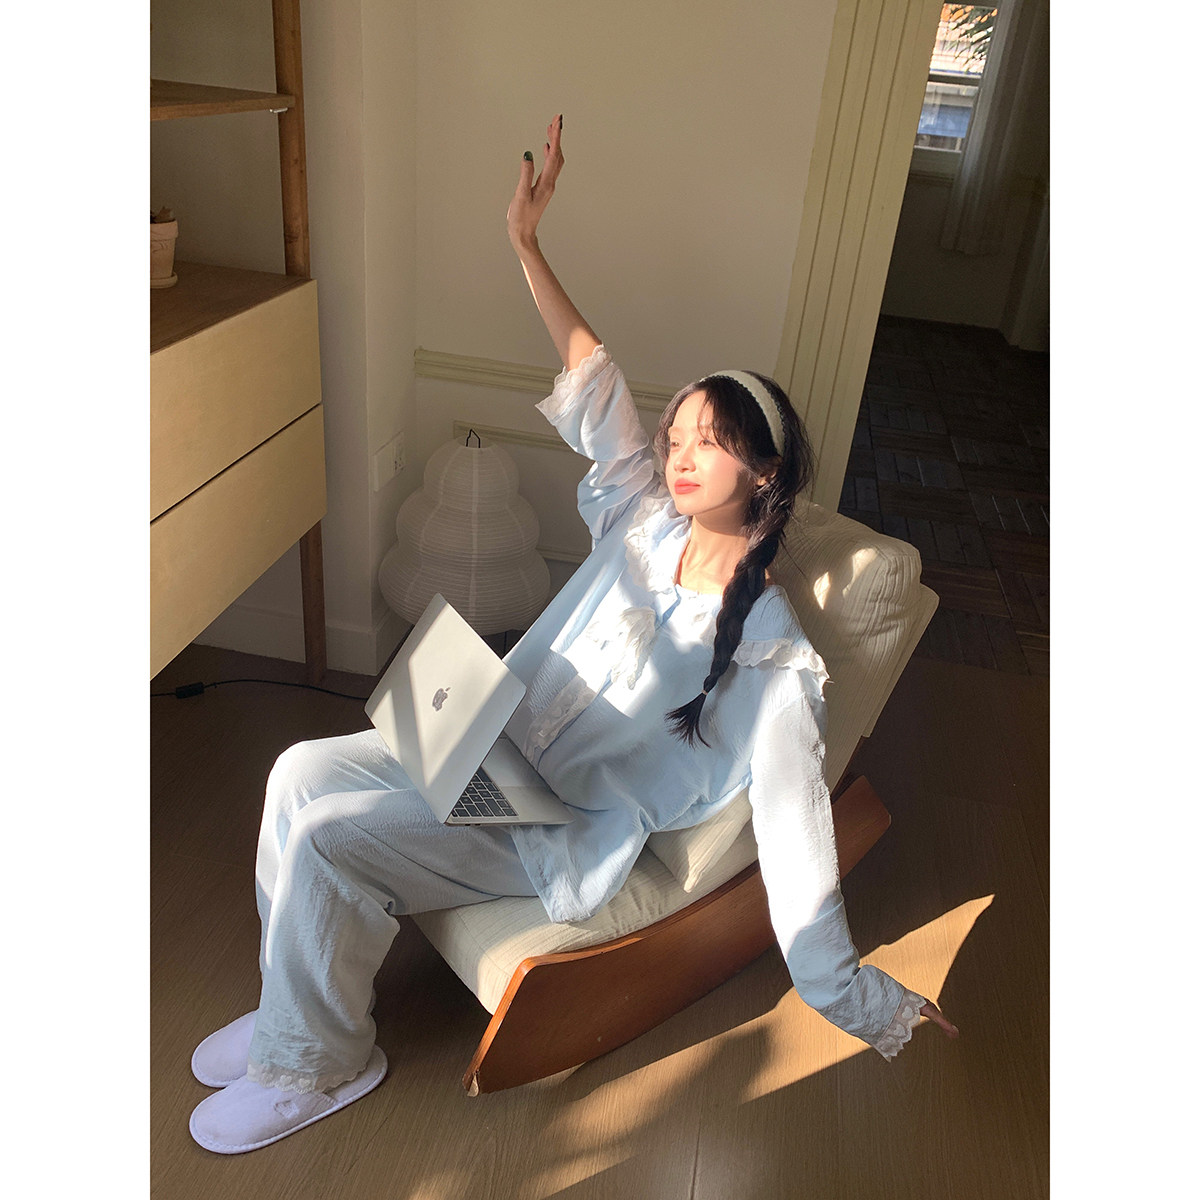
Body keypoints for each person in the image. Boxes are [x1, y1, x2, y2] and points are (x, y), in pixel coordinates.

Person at [187, 115, 958, 1156]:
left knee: (330, 839)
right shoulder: (642, 522)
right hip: (480, 739)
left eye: (709, 442)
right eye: (677, 434)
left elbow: (796, 842)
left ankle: (316, 1063)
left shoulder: (773, 662)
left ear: (766, 471)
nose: (678, 454)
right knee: (294, 774)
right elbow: (596, 379)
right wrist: (526, 243)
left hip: (545, 828)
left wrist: (864, 1000)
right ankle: (298, 1002)